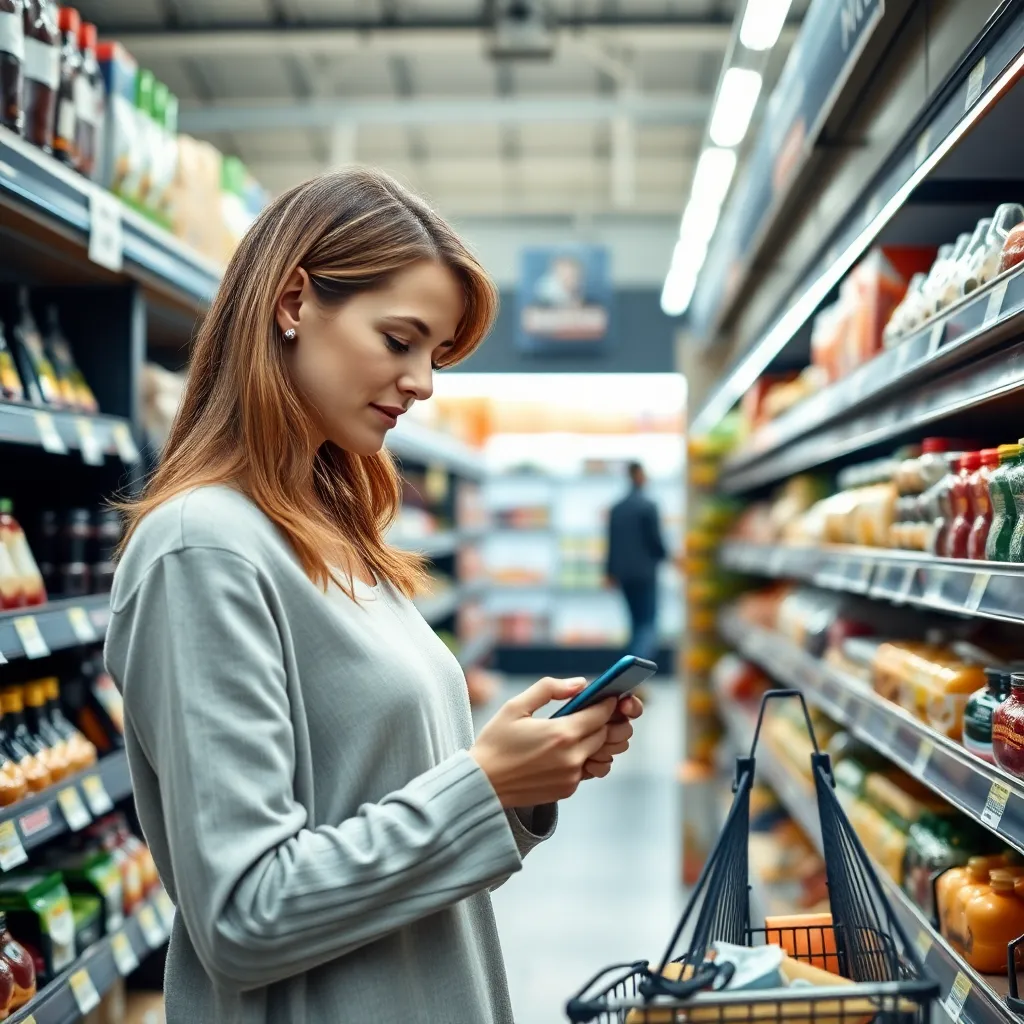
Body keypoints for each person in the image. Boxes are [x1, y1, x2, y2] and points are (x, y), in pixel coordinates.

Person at [104, 169, 643, 1024]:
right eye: (400, 340)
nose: (424, 381)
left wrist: (517, 782)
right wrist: (480, 782)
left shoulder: (337, 532)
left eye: (435, 355)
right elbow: (245, 914)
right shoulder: (202, 548)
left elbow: (385, 810)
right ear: (292, 301)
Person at [605, 461, 667, 664]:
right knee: (647, 624)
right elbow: (656, 542)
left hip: (624, 574)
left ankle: (627, 669)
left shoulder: (617, 508)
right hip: (646, 574)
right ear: (640, 475)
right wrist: (670, 558)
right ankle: (637, 674)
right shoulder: (648, 506)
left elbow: (611, 543)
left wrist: (609, 572)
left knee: (633, 624)